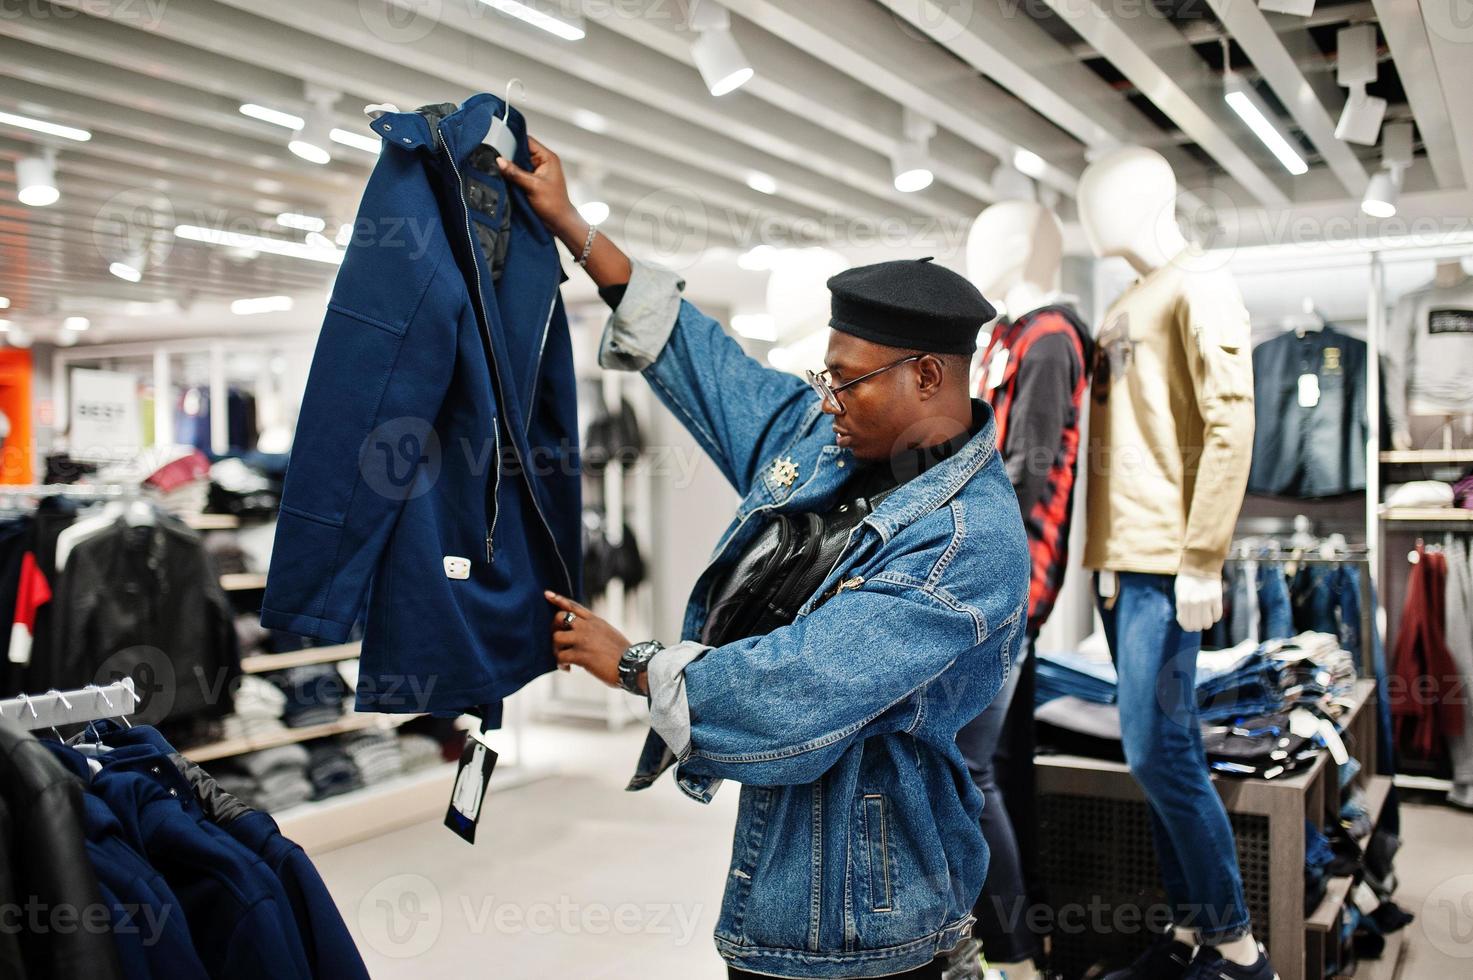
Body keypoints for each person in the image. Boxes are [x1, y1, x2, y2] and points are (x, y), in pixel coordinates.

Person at [498, 137, 1030, 980]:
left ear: (927, 375)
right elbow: (709, 369)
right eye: (825, 376)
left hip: (867, 922)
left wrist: (635, 664)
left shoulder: (971, 541)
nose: (828, 399)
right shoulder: (826, 439)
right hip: (792, 884)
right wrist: (574, 227)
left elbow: (800, 686)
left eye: (847, 380)